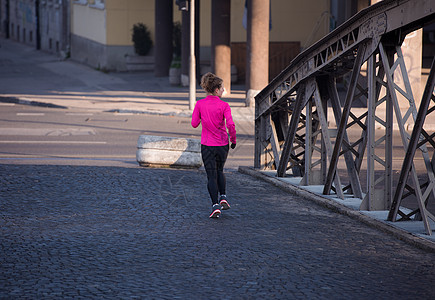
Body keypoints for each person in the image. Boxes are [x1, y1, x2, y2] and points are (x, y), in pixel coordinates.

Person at [191, 72, 237, 218]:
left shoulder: (200, 104)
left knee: (211, 175)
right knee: (220, 171)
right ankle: (223, 196)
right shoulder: (224, 105)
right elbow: (230, 124)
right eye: (222, 88)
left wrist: (202, 118)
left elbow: (194, 124)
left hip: (207, 145)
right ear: (216, 90)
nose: (223, 90)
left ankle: (215, 205)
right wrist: (233, 140)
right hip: (223, 144)